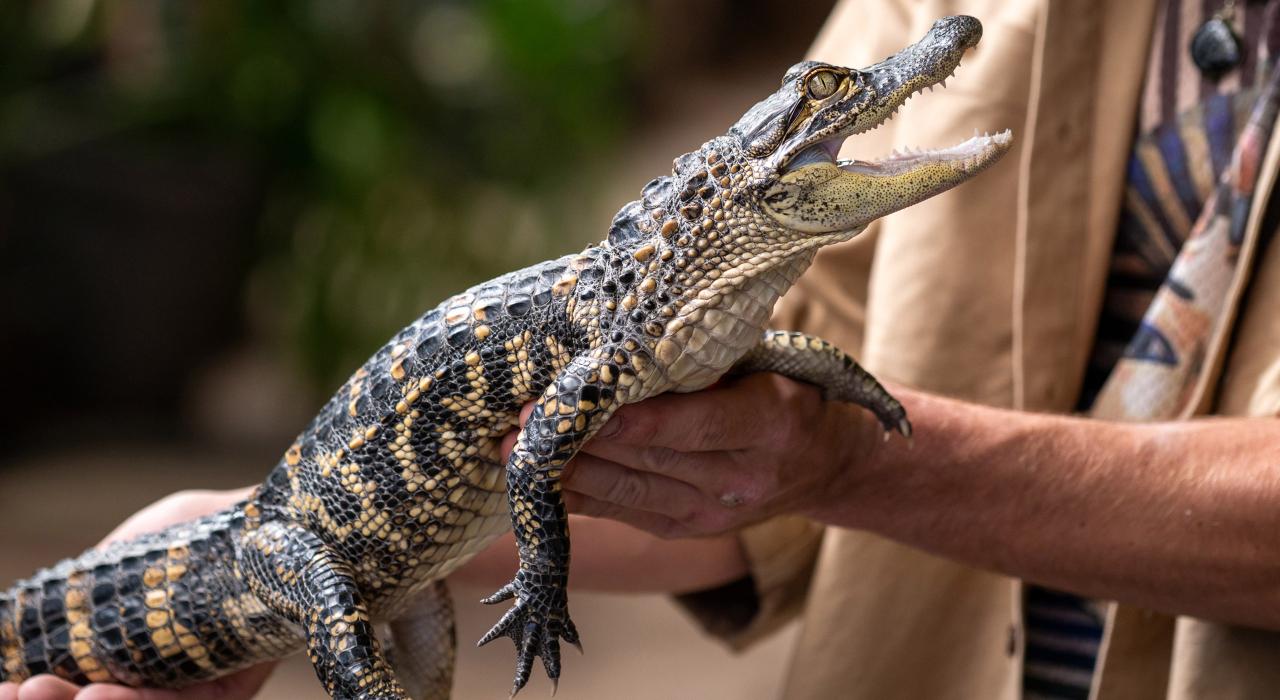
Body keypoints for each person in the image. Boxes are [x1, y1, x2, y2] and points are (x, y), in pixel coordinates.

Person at [7, 0, 1280, 698]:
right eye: (825, 101)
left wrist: (850, 459)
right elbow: (736, 467)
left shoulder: (677, 305)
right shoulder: (684, 298)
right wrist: (254, 538)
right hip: (309, 532)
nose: (929, 54)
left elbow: (801, 444)